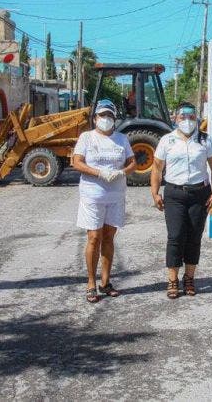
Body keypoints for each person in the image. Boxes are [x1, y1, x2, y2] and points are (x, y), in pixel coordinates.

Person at [150, 102, 212, 299]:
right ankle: (172, 280)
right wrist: (155, 192)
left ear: (197, 118)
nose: (187, 121)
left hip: (200, 193)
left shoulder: (206, 140)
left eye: (191, 117)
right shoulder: (167, 140)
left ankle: (189, 278)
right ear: (175, 118)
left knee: (194, 237)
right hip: (174, 194)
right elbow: (157, 168)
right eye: (183, 117)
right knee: (175, 236)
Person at [71, 99, 134, 303]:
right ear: (95, 118)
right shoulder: (86, 138)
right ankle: (91, 282)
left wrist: (121, 172)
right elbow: (77, 162)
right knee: (94, 238)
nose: (105, 119)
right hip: (92, 194)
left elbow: (132, 163)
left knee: (108, 237)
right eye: (102, 115)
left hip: (115, 195)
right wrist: (98, 173)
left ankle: (105, 282)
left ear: (114, 119)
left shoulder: (122, 139)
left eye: (109, 116)